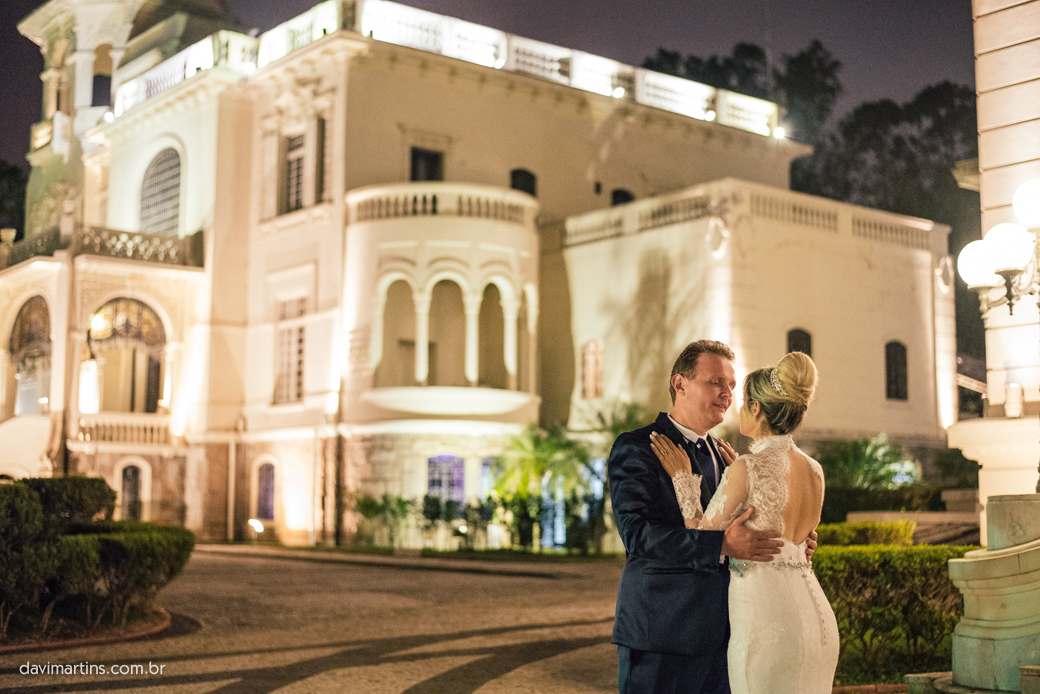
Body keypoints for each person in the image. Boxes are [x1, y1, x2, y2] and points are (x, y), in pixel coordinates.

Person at [609, 340, 800, 694]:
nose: (727, 393)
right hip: (662, 634)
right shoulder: (637, 447)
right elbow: (638, 536)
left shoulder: (730, 457)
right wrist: (721, 543)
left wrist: (786, 541)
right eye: (715, 382)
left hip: (727, 636)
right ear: (680, 384)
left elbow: (749, 525)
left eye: (730, 385)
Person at [649, 351, 840, 693]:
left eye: (742, 400)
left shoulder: (745, 469)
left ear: (756, 409)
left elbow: (700, 536)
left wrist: (684, 480)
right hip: (818, 619)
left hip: (767, 620)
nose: (735, 406)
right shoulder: (815, 470)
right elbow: (797, 535)